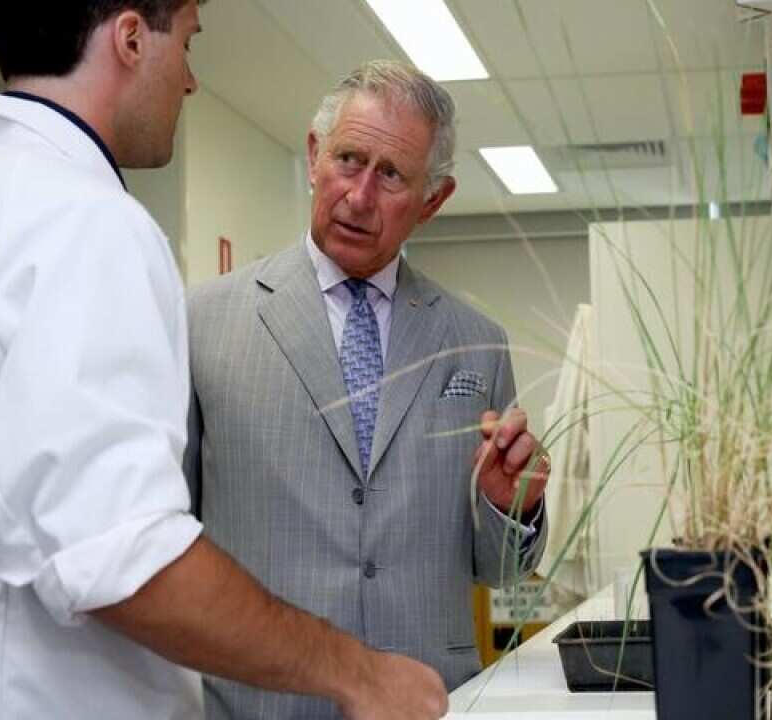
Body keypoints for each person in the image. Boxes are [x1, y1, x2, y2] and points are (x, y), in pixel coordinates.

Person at [0, 4, 446, 719]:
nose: (191, 81)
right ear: (133, 39)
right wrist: (354, 670)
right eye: (189, 42)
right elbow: (121, 555)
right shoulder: (89, 224)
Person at [184, 60, 551, 717]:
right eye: (349, 160)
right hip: (260, 705)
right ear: (313, 156)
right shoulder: (203, 324)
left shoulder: (475, 342)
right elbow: (165, 541)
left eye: (391, 176)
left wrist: (509, 509)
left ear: (433, 201)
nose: (358, 196)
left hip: (428, 700)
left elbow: (500, 573)